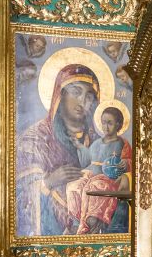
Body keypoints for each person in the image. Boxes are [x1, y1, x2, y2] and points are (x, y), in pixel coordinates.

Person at [16, 64, 127, 236]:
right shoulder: (35, 138)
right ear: (60, 95)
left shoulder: (101, 139)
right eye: (76, 92)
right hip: (50, 238)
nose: (83, 101)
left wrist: (123, 178)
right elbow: (18, 195)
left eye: (89, 96)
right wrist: (49, 182)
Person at [63, 105, 132, 235]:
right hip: (91, 173)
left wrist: (125, 163)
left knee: (94, 186)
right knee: (74, 185)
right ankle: (76, 220)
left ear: (119, 124)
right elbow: (87, 160)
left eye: (110, 123)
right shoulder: (96, 143)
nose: (106, 126)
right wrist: (79, 146)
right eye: (104, 122)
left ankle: (90, 221)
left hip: (108, 178)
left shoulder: (122, 143)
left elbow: (130, 161)